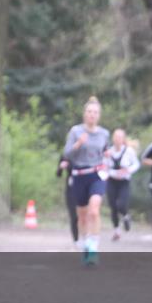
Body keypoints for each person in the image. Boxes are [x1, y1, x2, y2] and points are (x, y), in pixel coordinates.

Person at [59, 97, 109, 265]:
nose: (92, 115)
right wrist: (78, 144)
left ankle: (93, 245)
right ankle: (86, 242)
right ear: (84, 114)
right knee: (81, 216)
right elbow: (66, 154)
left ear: (99, 115)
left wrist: (107, 163)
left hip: (96, 174)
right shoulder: (76, 131)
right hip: (79, 175)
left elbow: (105, 152)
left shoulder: (104, 133)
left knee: (94, 211)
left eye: (95, 112)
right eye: (89, 112)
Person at [103, 128, 140, 241]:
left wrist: (128, 170)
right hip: (111, 180)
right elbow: (104, 166)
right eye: (116, 137)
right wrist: (109, 171)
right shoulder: (109, 152)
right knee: (113, 206)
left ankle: (125, 216)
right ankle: (116, 230)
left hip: (124, 182)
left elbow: (136, 164)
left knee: (121, 204)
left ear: (123, 139)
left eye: (120, 137)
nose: (118, 139)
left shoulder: (129, 151)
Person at [56, 154, 78, 247]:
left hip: (85, 186)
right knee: (73, 215)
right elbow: (58, 174)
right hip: (71, 188)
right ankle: (76, 240)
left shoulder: (86, 153)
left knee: (84, 214)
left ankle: (88, 239)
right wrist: (61, 167)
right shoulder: (65, 155)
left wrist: (69, 165)